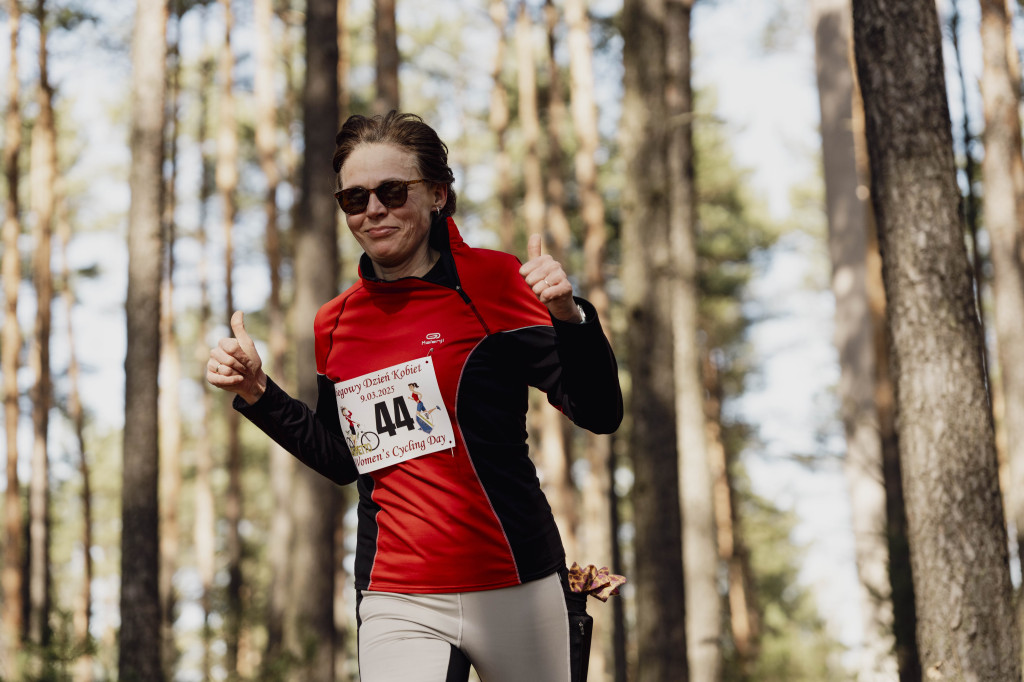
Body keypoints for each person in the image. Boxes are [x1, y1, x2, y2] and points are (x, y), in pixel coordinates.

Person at [207, 111, 622, 682]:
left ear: (437, 195)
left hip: (516, 576)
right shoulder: (335, 322)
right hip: (397, 592)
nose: (373, 209)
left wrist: (569, 318)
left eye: (392, 191)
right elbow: (343, 458)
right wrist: (259, 393)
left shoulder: (498, 283)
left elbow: (599, 412)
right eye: (354, 198)